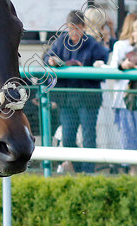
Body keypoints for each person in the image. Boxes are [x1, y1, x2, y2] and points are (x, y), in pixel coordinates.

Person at [43, 10, 109, 173]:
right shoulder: (61, 41)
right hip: (66, 99)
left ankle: (88, 171)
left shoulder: (92, 43)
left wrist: (87, 67)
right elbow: (47, 56)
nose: (73, 33)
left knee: (88, 136)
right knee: (67, 137)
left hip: (88, 98)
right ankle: (79, 169)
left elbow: (103, 59)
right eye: (70, 28)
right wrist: (51, 60)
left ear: (83, 27)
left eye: (77, 28)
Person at [109, 13, 137, 170]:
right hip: (127, 102)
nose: (134, 34)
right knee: (128, 140)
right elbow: (116, 67)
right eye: (133, 29)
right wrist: (124, 66)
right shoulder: (124, 47)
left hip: (129, 101)